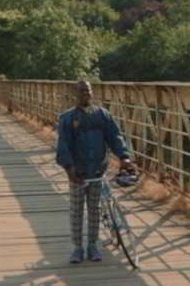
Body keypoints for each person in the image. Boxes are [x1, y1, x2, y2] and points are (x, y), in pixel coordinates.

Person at [56, 80, 133, 264]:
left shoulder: (103, 115)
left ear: (92, 93)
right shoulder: (67, 118)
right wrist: (68, 168)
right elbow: (63, 145)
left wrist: (124, 157)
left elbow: (115, 136)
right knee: (76, 211)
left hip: (98, 170)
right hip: (78, 172)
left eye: (88, 91)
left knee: (94, 210)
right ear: (76, 94)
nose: (85, 94)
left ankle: (92, 246)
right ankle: (77, 248)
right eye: (82, 91)